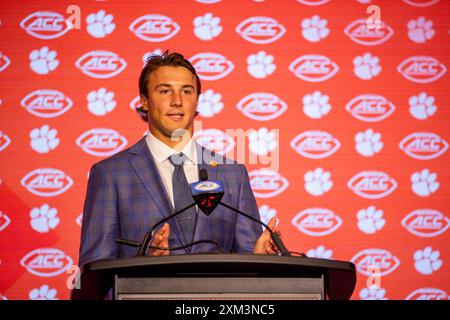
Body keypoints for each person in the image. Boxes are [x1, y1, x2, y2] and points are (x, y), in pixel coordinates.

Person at [78, 51, 280, 268]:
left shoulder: (232, 174)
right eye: (164, 91)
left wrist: (259, 258)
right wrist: (145, 263)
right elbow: (94, 269)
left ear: (197, 101)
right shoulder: (111, 174)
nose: (177, 101)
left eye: (186, 91)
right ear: (144, 101)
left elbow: (250, 267)